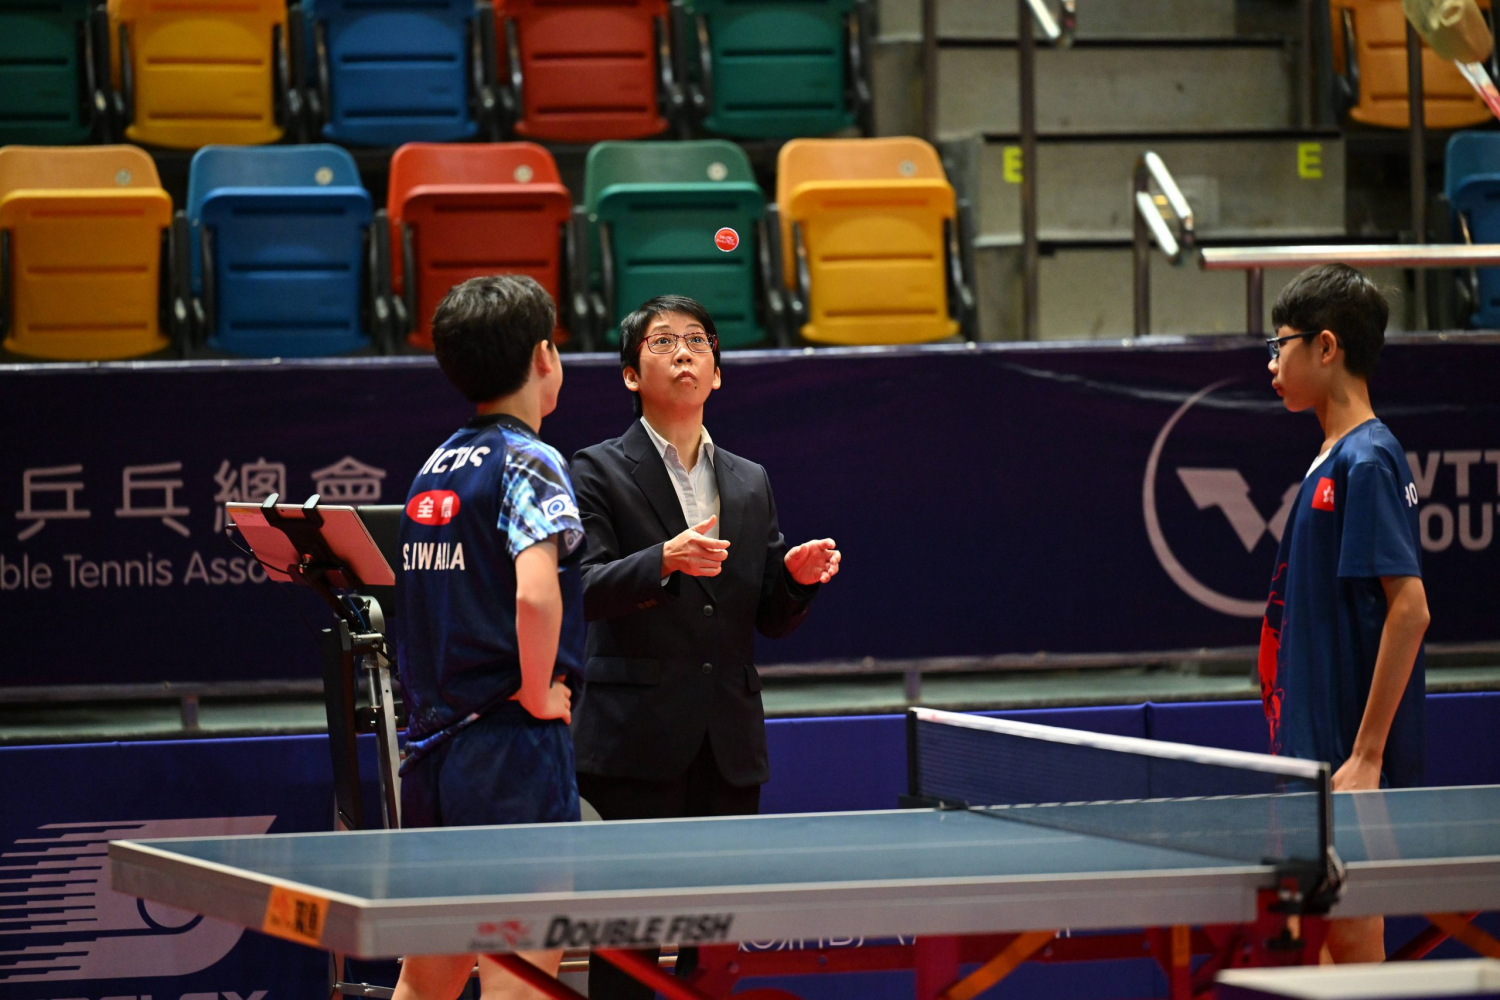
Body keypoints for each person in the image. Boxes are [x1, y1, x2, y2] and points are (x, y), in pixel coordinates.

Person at [569, 294, 841, 1000]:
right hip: (634, 743)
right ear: (631, 374)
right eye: (662, 342)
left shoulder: (750, 480)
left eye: (697, 340)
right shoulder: (595, 470)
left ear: (717, 373)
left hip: (727, 744)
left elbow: (767, 617)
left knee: (713, 949)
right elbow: (583, 588)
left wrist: (794, 579)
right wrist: (663, 559)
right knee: (625, 947)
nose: (684, 352)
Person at [393, 274, 585, 1000]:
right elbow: (535, 594)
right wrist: (536, 693)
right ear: (543, 356)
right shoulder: (530, 460)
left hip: (434, 753)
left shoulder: (434, 466)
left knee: (428, 977)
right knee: (520, 979)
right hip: (509, 749)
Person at [1259, 263, 1430, 963]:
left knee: (1354, 938)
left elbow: (1410, 610)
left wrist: (1366, 756)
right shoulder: (1332, 458)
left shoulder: (1367, 461)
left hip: (1346, 763)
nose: (1273, 363)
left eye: (1281, 345)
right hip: (1315, 756)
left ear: (1325, 347)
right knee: (1328, 945)